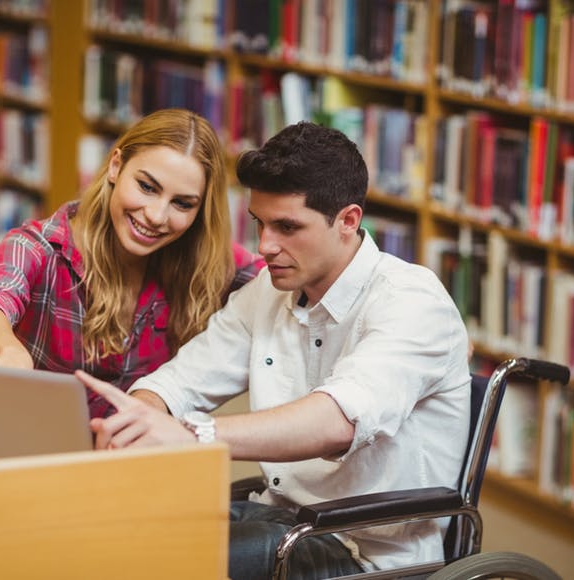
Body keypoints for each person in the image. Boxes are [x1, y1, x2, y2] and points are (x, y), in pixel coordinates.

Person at [78, 121, 471, 578]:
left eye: (287, 227)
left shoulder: (412, 301)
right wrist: (139, 417)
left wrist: (195, 435)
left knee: (155, 563)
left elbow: (337, 420)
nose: (265, 246)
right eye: (260, 224)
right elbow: (181, 380)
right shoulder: (270, 291)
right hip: (280, 520)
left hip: (365, 550)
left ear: (347, 221)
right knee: (108, 535)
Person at [0, 108, 263, 418]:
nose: (156, 216)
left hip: (131, 455)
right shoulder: (38, 247)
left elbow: (280, 275)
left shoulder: (203, 257)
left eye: (182, 203)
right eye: (147, 187)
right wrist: (8, 351)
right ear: (116, 166)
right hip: (39, 446)